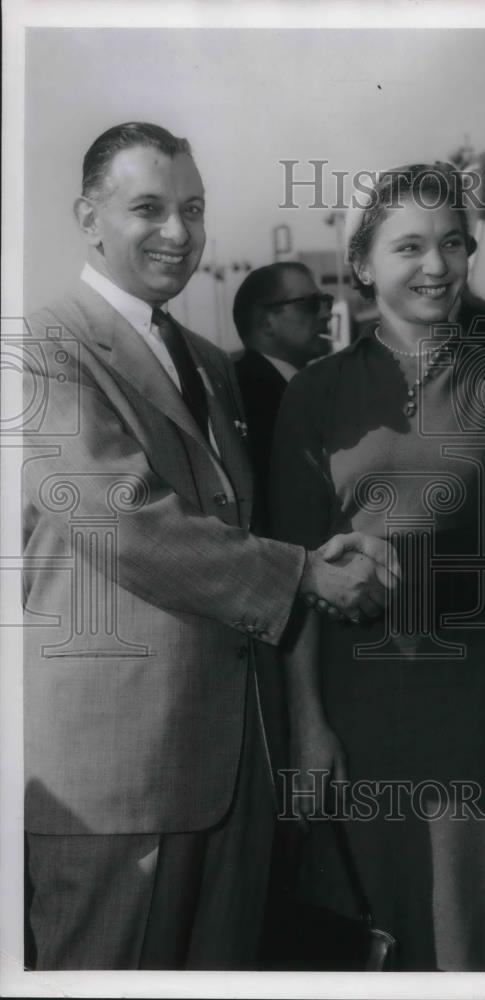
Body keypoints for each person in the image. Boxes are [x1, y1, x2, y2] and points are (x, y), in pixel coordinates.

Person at [22, 122, 397, 971]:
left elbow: (228, 523)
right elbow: (124, 520)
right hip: (116, 780)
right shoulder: (43, 346)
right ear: (88, 217)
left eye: (192, 208)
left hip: (229, 765)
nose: (178, 231)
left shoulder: (203, 360)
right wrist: (302, 572)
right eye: (147, 207)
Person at [269, 162, 485, 971]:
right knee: (378, 933)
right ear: (361, 264)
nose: (436, 265)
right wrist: (310, 727)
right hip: (359, 700)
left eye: (453, 243)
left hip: (482, 697)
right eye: (410, 246)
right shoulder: (313, 394)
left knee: (474, 936)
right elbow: (292, 573)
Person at [233, 263, 332, 519]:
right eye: (310, 304)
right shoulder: (249, 396)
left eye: (325, 302)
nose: (325, 314)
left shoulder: (292, 388)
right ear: (267, 322)